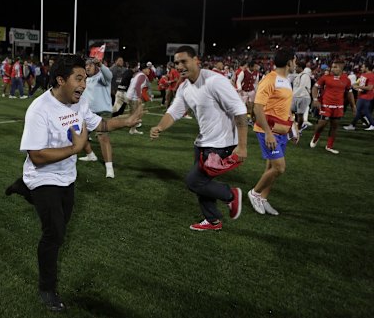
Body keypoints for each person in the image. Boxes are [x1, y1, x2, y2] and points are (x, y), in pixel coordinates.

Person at [5, 54, 142, 312]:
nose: (83, 84)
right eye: (78, 78)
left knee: (61, 227)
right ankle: (47, 288)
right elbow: (36, 155)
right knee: (54, 233)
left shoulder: (78, 104)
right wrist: (74, 149)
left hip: (67, 177)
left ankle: (23, 187)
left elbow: (99, 123)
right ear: (60, 80)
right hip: (43, 176)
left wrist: (126, 121)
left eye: (85, 79)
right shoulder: (39, 109)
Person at [150, 45, 247, 231]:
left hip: (221, 143)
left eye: (183, 61)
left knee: (194, 181)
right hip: (203, 142)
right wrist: (160, 126)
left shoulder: (215, 81)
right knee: (203, 184)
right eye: (176, 63)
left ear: (196, 61)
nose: (179, 66)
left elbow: (240, 111)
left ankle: (231, 195)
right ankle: (212, 220)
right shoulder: (185, 87)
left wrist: (242, 146)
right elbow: (174, 111)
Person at [247, 48, 298, 216]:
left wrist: (292, 128)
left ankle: (263, 198)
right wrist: (268, 133)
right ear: (289, 61)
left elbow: (284, 109)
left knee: (271, 167)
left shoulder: (286, 80)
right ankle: (254, 193)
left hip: (282, 130)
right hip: (268, 130)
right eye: (295, 60)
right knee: (279, 168)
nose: (296, 64)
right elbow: (257, 108)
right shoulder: (270, 80)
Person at [77, 58, 115, 178]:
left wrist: (101, 65)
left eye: (90, 65)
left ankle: (109, 168)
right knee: (79, 135)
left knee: (103, 137)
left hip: (102, 112)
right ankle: (91, 155)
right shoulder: (85, 80)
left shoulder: (102, 77)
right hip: (88, 113)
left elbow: (109, 75)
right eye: (86, 66)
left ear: (96, 66)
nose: (87, 67)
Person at [309, 60, 356, 154]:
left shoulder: (346, 79)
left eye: (335, 67)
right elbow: (315, 87)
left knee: (334, 126)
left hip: (338, 107)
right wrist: (315, 99)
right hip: (326, 105)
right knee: (322, 124)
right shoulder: (325, 77)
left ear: (341, 68)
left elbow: (349, 93)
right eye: (332, 66)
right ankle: (316, 136)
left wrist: (353, 106)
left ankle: (329, 146)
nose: (332, 69)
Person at [343, 62, 374, 131]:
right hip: (361, 95)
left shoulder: (372, 76)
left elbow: (370, 88)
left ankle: (371, 124)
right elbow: (358, 83)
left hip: (366, 96)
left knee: (362, 111)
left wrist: (358, 86)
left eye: (363, 67)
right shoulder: (363, 74)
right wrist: (354, 84)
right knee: (360, 112)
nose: (361, 68)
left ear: (367, 68)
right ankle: (353, 125)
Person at [126, 63, 151, 135]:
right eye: (148, 68)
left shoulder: (138, 74)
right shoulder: (142, 76)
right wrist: (139, 97)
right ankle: (132, 129)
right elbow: (137, 86)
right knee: (137, 114)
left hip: (130, 96)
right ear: (144, 69)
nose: (149, 70)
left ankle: (132, 128)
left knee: (134, 114)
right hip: (133, 97)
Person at [292, 60, 313, 133]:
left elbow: (302, 87)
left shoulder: (305, 76)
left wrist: (292, 95)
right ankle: (295, 127)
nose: (295, 69)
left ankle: (299, 128)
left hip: (303, 97)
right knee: (292, 112)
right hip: (297, 96)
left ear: (300, 68)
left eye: (297, 67)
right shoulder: (299, 75)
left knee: (300, 114)